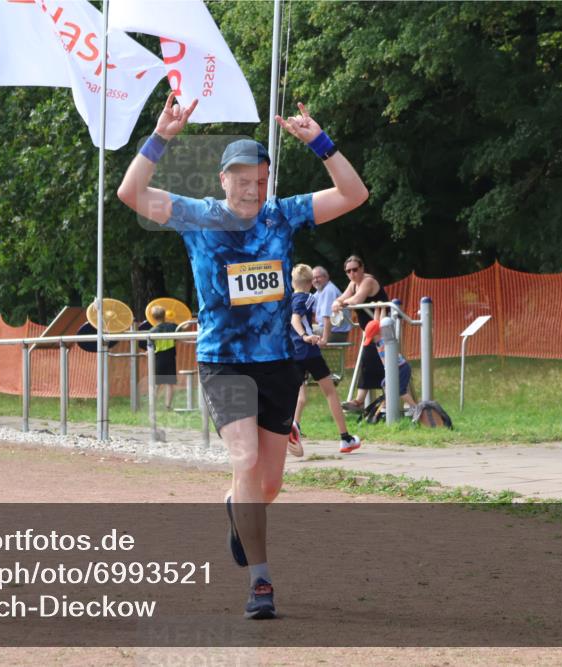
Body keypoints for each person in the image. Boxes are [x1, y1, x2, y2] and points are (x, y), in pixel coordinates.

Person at [117, 93, 368, 619]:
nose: (252, 190)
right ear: (223, 181)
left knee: (267, 484)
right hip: (223, 360)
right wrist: (162, 135)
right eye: (242, 180)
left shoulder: (282, 216)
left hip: (278, 362)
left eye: (260, 180)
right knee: (246, 461)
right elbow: (130, 191)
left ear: (268, 181)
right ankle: (260, 582)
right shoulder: (195, 216)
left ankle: (238, 510)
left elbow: (354, 193)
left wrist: (319, 142)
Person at [287, 264, 361, 457]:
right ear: (310, 282)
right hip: (308, 350)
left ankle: (292, 427)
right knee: (330, 392)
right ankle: (345, 438)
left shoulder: (287, 299)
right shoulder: (308, 297)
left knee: (300, 397)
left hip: (292, 353)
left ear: (293, 281)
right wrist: (305, 335)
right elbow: (297, 319)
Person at [332, 255, 389, 412]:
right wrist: (337, 303)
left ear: (362, 268)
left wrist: (340, 304)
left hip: (384, 330)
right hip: (371, 331)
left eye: (355, 270)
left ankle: (362, 401)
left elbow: (356, 300)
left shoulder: (368, 281)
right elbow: (342, 298)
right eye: (348, 271)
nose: (352, 274)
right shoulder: (353, 284)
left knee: (376, 361)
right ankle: (365, 401)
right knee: (369, 362)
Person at [363, 319, 417, 412]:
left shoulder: (385, 341)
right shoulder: (378, 342)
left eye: (372, 338)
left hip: (401, 368)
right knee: (384, 383)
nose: (371, 340)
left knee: (401, 391)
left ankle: (415, 408)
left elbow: (382, 326)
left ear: (378, 334)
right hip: (393, 369)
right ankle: (388, 402)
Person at [149, 305, 178, 409]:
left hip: (159, 358)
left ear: (152, 317)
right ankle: (168, 406)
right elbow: (183, 328)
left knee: (157, 383)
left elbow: (150, 346)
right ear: (165, 315)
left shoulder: (152, 331)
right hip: (170, 357)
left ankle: (152, 405)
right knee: (170, 384)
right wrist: (174, 319)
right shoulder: (173, 326)